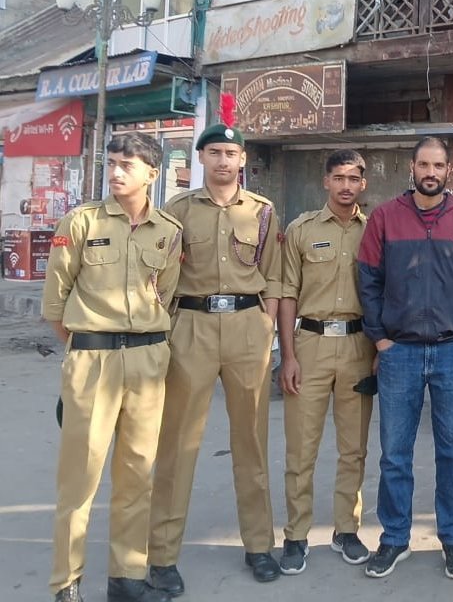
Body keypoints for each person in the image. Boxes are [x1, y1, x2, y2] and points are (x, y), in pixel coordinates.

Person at [148, 97, 283, 594]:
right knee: (177, 443)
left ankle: (259, 545)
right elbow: (162, 276)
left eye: (231, 153)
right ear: (201, 158)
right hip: (192, 327)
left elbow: (274, 275)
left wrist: (266, 326)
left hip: (248, 327)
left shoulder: (263, 211)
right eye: (214, 153)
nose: (223, 160)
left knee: (252, 442)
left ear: (242, 159)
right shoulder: (178, 211)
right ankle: (162, 556)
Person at [43, 133, 183, 602]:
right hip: (93, 358)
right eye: (113, 163)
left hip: (148, 360)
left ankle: (127, 579)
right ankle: (66, 583)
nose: (117, 172)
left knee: (137, 475)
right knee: (79, 479)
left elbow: (166, 294)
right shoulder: (80, 221)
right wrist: (85, 349)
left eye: (129, 165)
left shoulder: (168, 230)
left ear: (152, 174)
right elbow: (55, 303)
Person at [356, 137, 453, 580]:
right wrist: (380, 339)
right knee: (395, 453)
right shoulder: (385, 218)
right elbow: (368, 281)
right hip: (400, 353)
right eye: (423, 164)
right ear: (411, 168)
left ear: (449, 170)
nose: (430, 172)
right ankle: (395, 538)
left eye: (438, 165)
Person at [276, 150, 375, 575]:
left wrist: (378, 353)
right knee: (301, 449)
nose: (346, 186)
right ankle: (296, 535)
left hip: (358, 346)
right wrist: (287, 356)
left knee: (354, 448)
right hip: (310, 345)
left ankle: (346, 530)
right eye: (338, 178)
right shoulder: (301, 230)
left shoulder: (374, 231)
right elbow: (286, 294)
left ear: (363, 184)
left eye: (353, 178)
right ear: (326, 181)